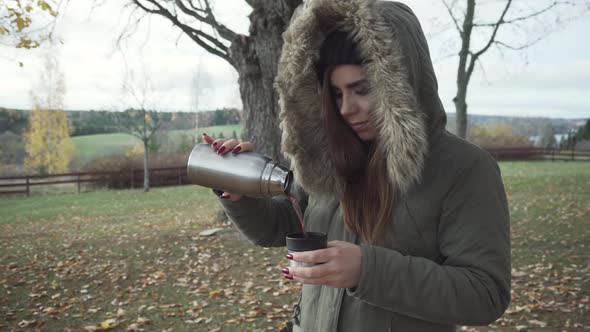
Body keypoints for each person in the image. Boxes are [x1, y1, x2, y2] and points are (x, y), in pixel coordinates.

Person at [201, 0, 511, 331]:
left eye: (361, 89)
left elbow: (484, 293)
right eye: (336, 94)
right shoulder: (332, 159)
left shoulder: (463, 168)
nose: (347, 109)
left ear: (401, 84)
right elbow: (282, 226)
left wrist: (367, 271)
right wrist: (240, 196)